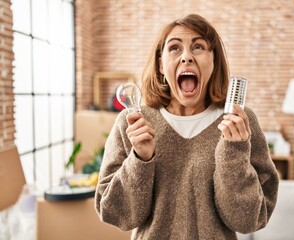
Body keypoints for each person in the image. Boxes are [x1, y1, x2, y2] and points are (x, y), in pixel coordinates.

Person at [95, 13, 279, 239]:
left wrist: (234, 152)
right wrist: (140, 159)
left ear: (213, 61)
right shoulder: (131, 123)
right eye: (174, 48)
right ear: (161, 64)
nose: (186, 57)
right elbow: (115, 213)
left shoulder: (241, 122)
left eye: (198, 47)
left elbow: (249, 220)